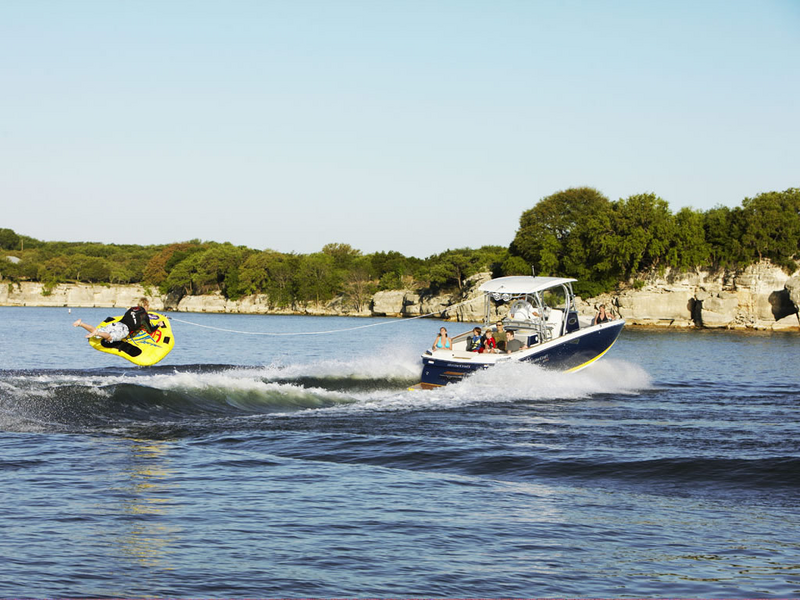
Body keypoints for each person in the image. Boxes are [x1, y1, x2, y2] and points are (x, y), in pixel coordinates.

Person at [74, 297, 159, 343]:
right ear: (146, 305)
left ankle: (81, 323)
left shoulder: (131, 309)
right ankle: (97, 333)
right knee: (109, 338)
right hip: (124, 330)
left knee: (96, 329)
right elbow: (150, 330)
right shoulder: (144, 315)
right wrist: (158, 325)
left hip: (116, 324)